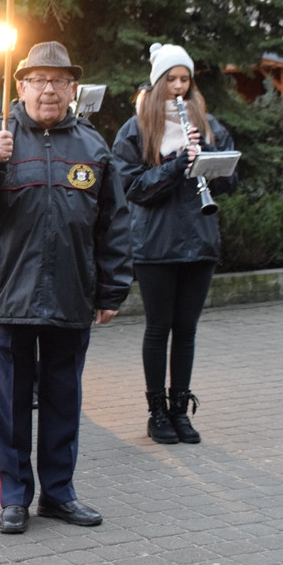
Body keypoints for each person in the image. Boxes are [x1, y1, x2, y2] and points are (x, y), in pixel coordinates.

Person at [0, 41, 132, 534]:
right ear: (20, 85)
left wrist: (111, 290)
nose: (49, 89)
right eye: (39, 80)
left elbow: (113, 224)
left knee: (62, 400)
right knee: (6, 405)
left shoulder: (93, 146)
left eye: (59, 81)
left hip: (71, 294)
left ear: (73, 89)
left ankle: (59, 494)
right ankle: (14, 498)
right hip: (8, 295)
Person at [112, 43, 237, 445]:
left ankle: (180, 410)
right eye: (171, 80)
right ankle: (157, 412)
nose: (179, 88)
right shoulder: (135, 129)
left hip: (199, 241)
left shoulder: (207, 122)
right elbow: (132, 188)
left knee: (186, 330)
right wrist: (174, 165)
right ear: (158, 82)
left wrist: (210, 156)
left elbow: (231, 181)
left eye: (185, 79)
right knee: (158, 328)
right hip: (155, 244)